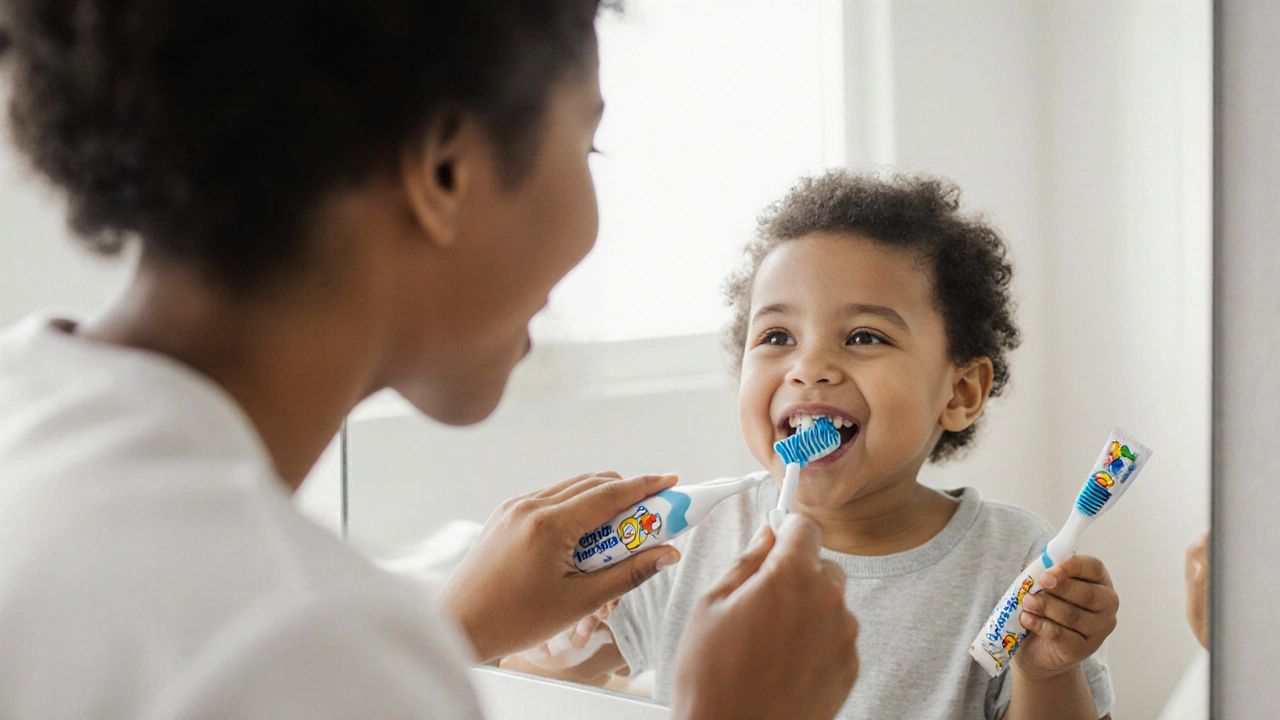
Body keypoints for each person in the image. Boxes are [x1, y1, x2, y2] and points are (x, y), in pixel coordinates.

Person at [0, 2, 857, 718]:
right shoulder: (293, 637)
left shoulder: (30, 425)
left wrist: (447, 632)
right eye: (586, 149)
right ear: (445, 167)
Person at [511, 172, 1119, 720]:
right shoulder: (690, 548)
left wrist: (1048, 671)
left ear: (959, 391)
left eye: (863, 336)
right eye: (776, 335)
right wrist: (560, 632)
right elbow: (524, 681)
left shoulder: (1014, 561)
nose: (810, 366)